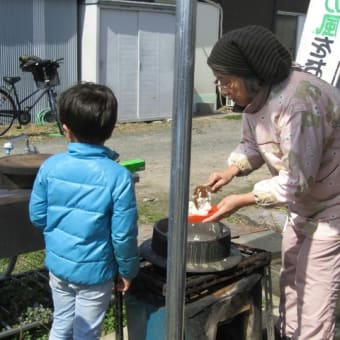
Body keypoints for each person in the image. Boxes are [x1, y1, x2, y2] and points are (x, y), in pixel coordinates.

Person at [203, 25, 340, 340]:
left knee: (316, 289)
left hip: (331, 208)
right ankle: (289, 334)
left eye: (226, 81)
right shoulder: (257, 97)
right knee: (291, 278)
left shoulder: (299, 103)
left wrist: (242, 199)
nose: (222, 88)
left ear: (252, 75)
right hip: (303, 207)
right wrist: (232, 170)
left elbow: (296, 182)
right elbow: (254, 144)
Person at [29, 82, 140, 339]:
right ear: (110, 130)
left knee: (61, 324)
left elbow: (37, 215)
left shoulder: (50, 166)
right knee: (86, 333)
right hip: (95, 273)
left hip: (58, 265)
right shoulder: (118, 176)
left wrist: (59, 236)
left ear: (65, 130)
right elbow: (123, 235)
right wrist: (127, 271)